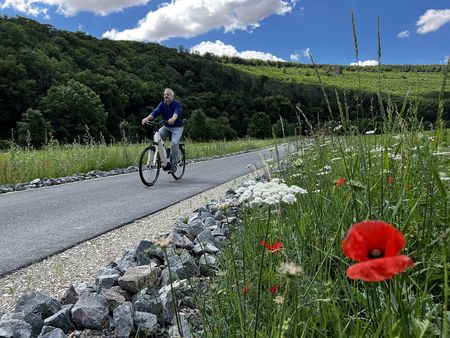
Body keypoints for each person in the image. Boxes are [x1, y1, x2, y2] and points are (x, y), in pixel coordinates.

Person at [141, 88, 183, 173]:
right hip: (166, 127)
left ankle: (173, 166)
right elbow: (154, 113)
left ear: (172, 96)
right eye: (164, 94)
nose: (166, 96)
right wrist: (147, 118)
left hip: (177, 128)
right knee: (155, 138)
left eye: (168, 94)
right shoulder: (162, 104)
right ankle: (152, 162)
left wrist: (173, 118)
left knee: (174, 143)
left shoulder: (177, 104)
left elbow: (176, 113)